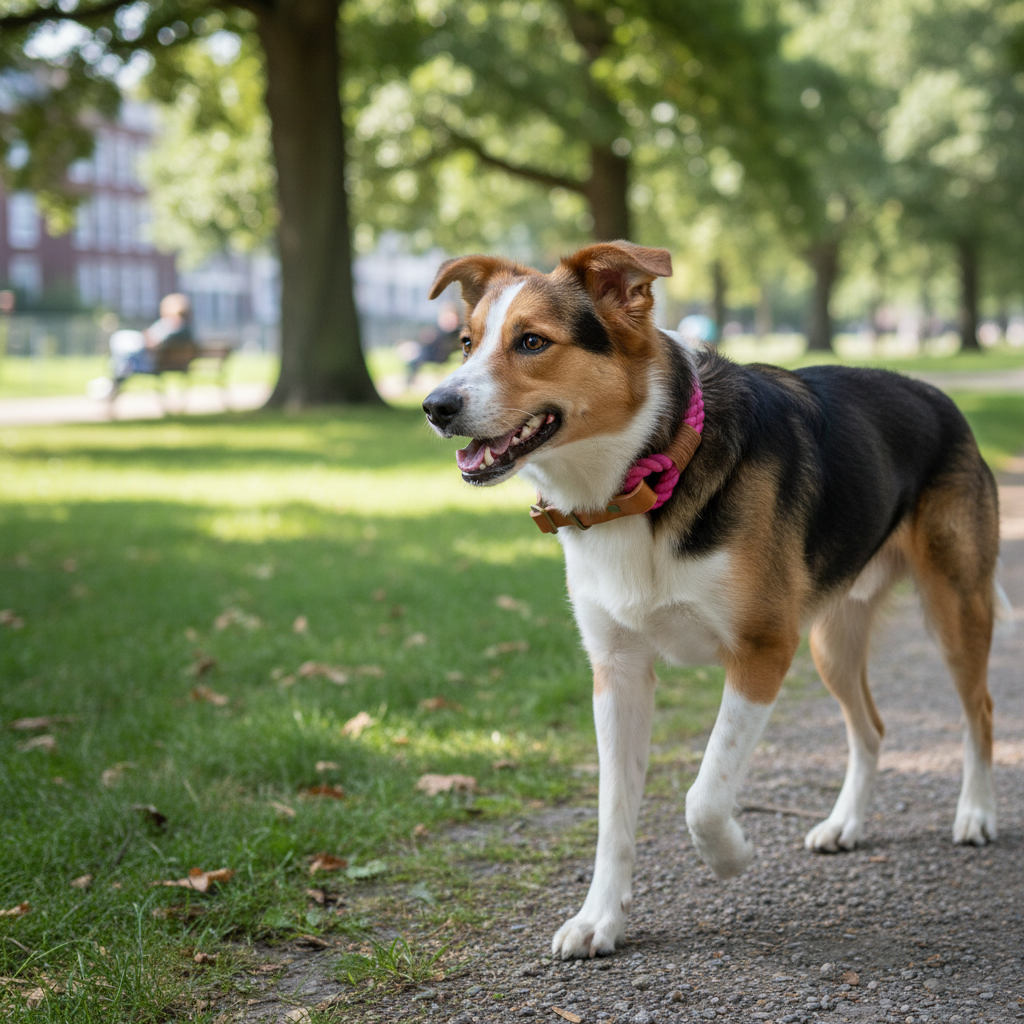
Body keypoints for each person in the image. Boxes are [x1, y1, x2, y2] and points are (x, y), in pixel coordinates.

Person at [90, 294, 195, 399]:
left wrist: (146, 339)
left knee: (121, 347)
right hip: (159, 361)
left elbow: (154, 343)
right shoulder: (185, 329)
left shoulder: (172, 326)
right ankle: (112, 381)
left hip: (152, 363)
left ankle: (111, 382)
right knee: (122, 347)